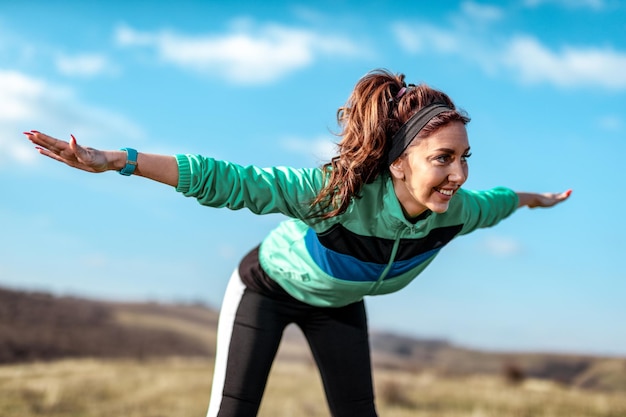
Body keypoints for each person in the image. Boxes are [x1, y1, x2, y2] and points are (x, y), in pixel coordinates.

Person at [24, 69, 571, 417]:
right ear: (399, 164)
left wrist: (538, 199)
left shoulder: (458, 213)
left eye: (464, 157)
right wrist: (120, 160)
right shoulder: (332, 196)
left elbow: (504, 198)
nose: (458, 174)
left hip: (335, 306)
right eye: (443, 159)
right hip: (266, 289)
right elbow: (229, 179)